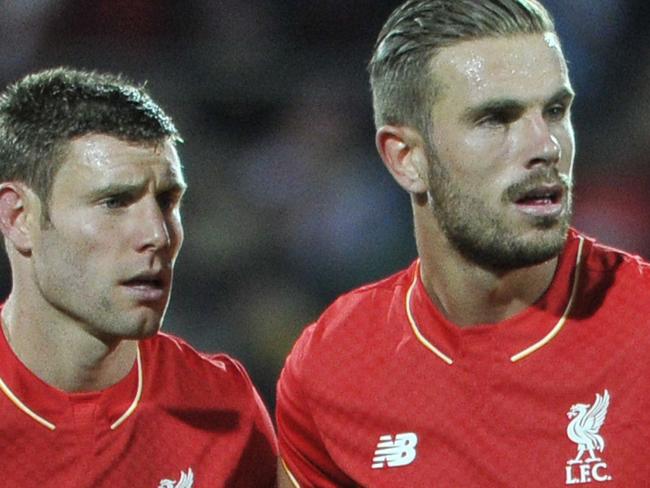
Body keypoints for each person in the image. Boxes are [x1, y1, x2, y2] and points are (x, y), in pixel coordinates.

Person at [276, 0, 650, 486]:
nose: (547, 147)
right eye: (496, 119)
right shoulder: (332, 368)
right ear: (406, 158)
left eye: (555, 110)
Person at [0, 68, 277, 487]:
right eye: (114, 201)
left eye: (167, 201)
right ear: (19, 217)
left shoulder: (222, 409)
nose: (157, 234)